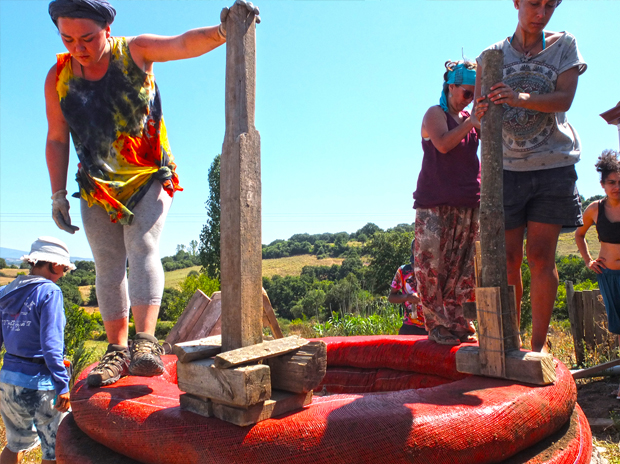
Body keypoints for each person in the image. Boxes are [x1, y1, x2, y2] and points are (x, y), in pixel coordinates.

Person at [44, 0, 260, 387]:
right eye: (68, 38)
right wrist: (57, 193)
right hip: (98, 187)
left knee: (142, 245)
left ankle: (145, 344)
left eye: (88, 38)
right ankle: (116, 351)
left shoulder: (136, 51)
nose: (79, 47)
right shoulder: (58, 77)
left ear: (107, 29)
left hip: (148, 175)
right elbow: (57, 138)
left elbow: (181, 44)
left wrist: (223, 30)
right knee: (108, 266)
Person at [475, 0, 586, 352]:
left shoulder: (564, 45)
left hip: (553, 164)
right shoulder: (491, 56)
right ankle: (512, 343)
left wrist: (519, 97)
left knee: (540, 257)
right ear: (517, 2)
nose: (541, 13)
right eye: (534, 4)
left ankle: (537, 350)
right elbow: (480, 117)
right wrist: (480, 111)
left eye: (549, 6)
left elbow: (564, 99)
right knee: (507, 260)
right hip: (506, 169)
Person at [413, 60, 482, 346]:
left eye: (475, 94)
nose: (471, 99)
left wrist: (473, 120)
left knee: (464, 268)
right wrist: (471, 121)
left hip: (468, 201)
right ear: (451, 87)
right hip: (435, 202)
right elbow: (442, 144)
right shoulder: (435, 113)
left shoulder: (470, 119)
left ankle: (458, 321)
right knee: (432, 266)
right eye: (467, 93)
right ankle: (437, 324)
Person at [0, 237, 73, 464]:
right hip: (41, 384)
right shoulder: (50, 292)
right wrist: (62, 384)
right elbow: (52, 345)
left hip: (9, 381)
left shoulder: (5, 291)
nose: (62, 274)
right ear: (54, 264)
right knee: (52, 451)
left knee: (14, 444)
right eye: (63, 268)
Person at [575, 151, 620, 362]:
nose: (616, 187)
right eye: (611, 182)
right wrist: (588, 260)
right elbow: (579, 234)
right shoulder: (595, 209)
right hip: (608, 275)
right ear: (602, 184)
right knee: (618, 328)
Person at [388, 240, 427, 335]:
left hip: (434, 327)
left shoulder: (435, 271)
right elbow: (391, 297)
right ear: (412, 250)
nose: (419, 250)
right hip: (410, 326)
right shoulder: (403, 271)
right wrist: (407, 297)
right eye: (416, 248)